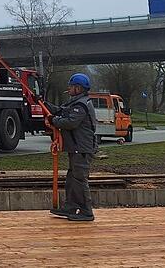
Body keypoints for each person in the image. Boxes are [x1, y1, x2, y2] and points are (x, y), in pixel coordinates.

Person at [47, 73, 97, 222]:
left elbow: (70, 122)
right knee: (72, 179)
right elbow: (61, 110)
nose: (68, 88)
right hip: (76, 148)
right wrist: (43, 103)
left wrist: (53, 120)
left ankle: (86, 212)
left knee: (80, 180)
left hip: (81, 149)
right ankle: (70, 206)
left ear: (78, 88)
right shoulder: (75, 103)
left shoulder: (81, 105)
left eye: (71, 86)